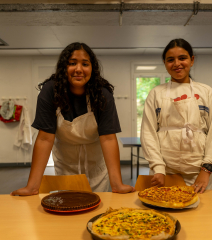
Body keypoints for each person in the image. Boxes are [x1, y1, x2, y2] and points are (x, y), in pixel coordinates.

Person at [11, 42, 135, 196]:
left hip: (96, 164)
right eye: (72, 63)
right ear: (64, 67)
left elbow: (108, 139)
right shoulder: (51, 91)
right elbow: (44, 139)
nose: (78, 69)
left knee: (96, 207)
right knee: (68, 206)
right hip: (65, 162)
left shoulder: (102, 95)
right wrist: (32, 187)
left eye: (85, 64)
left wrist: (117, 184)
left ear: (92, 68)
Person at [140, 38, 212, 194]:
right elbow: (148, 133)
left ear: (192, 60)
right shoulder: (156, 93)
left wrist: (206, 170)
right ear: (165, 63)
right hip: (165, 172)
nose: (177, 63)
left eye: (182, 58)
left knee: (200, 216)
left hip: (198, 173)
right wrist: (158, 167)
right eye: (170, 60)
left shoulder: (206, 92)